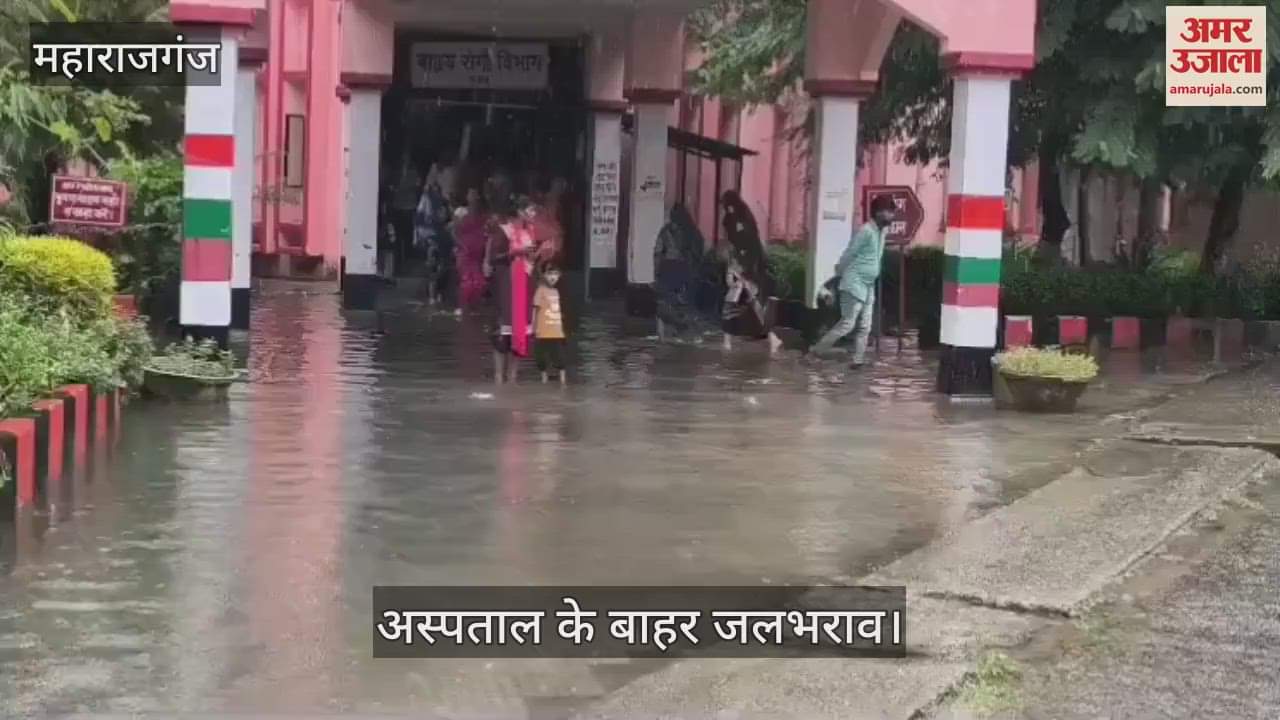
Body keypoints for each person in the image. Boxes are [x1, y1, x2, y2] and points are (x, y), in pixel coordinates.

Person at [809, 194, 895, 367]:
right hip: (854, 282)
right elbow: (850, 253)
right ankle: (816, 351)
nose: (891, 215)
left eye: (892, 211)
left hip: (868, 285)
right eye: (888, 211)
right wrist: (839, 273)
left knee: (865, 325)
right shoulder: (866, 231)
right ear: (878, 212)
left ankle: (858, 360)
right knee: (848, 323)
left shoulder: (882, 232)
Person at [484, 176, 534, 383]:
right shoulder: (504, 230)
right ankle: (498, 377)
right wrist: (514, 253)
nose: (533, 214)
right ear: (520, 212)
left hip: (524, 285)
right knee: (502, 333)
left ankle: (513, 377)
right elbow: (494, 258)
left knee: (520, 334)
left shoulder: (529, 233)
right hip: (506, 285)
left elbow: (533, 260)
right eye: (530, 210)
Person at [719, 191, 782, 352]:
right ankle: (770, 337)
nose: (727, 208)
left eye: (727, 205)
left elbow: (745, 242)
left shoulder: (741, 218)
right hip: (744, 265)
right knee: (747, 300)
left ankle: (729, 340)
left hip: (746, 265)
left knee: (737, 301)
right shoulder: (734, 218)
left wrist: (739, 265)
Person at [452, 186, 489, 312]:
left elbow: (486, 231)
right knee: (465, 280)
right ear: (467, 197)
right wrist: (461, 245)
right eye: (470, 194)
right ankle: (462, 305)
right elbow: (455, 231)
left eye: (475, 195)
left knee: (478, 281)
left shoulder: (482, 214)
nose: (473, 197)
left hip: (477, 253)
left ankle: (473, 305)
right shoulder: (460, 212)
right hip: (464, 252)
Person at [533, 264, 568, 385]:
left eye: (556, 274)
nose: (553, 277)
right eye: (550, 274)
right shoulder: (540, 290)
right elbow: (536, 310)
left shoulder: (556, 291)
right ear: (544, 275)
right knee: (541, 357)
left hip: (556, 331)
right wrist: (534, 327)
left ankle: (563, 381)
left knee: (559, 357)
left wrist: (561, 329)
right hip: (542, 331)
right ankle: (544, 378)